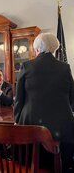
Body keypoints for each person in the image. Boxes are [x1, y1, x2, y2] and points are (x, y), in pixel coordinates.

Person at [14, 33, 74, 172]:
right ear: (54, 48)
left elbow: (19, 98)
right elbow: (72, 98)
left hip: (31, 126)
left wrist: (17, 120)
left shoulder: (27, 66)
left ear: (36, 49)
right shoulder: (65, 68)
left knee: (32, 163)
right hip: (62, 128)